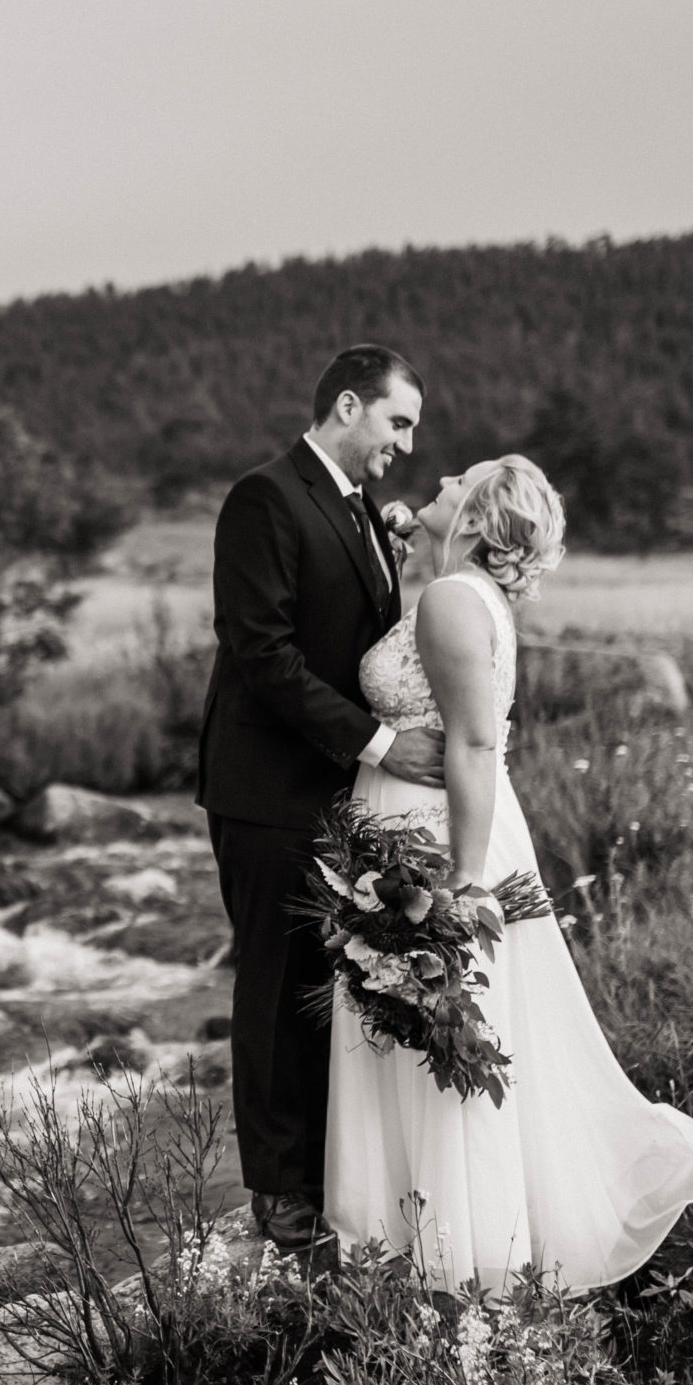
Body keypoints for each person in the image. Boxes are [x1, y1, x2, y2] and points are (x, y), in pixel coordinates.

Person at [325, 456, 693, 1290]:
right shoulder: (466, 591)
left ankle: (455, 1260)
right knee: (438, 1042)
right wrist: (408, 532)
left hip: (438, 844)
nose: (437, 481)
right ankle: (440, 1246)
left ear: (477, 522)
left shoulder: (452, 599)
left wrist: (464, 882)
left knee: (439, 1044)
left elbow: (475, 744)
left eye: (454, 484)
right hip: (431, 830)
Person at [197, 344, 445, 1252]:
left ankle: (325, 1170)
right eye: (398, 421)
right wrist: (382, 744)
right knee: (273, 985)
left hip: (337, 792)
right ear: (349, 405)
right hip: (265, 787)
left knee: (324, 985)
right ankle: (278, 1192)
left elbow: (361, 647)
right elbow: (261, 653)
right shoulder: (263, 496)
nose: (407, 444)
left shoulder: (359, 512)